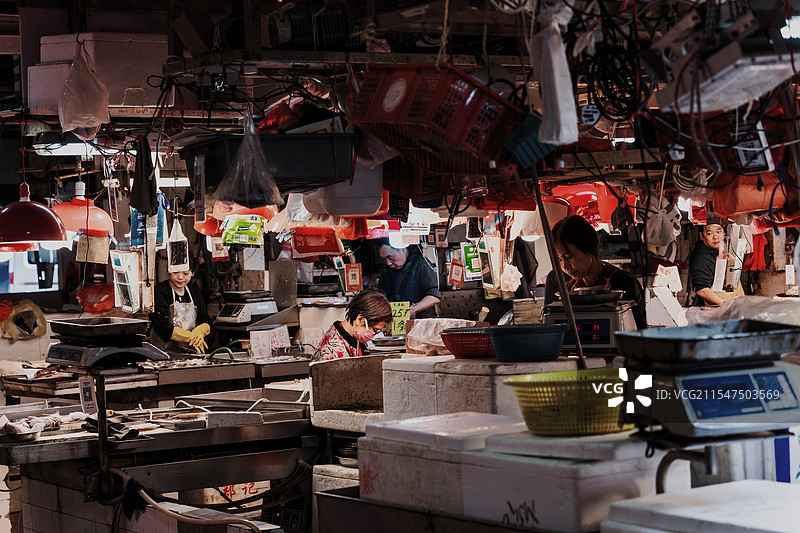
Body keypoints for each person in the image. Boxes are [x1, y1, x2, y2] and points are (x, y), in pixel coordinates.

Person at [544, 215, 646, 329]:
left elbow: (638, 335)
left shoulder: (622, 282)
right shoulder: (564, 285)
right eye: (559, 260)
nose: (564, 265)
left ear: (589, 249)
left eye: (568, 256)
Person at [149, 256, 212, 353]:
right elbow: (160, 324)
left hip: (191, 350)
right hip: (162, 352)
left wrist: (200, 332)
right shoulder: (160, 291)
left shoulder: (194, 291)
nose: (180, 277)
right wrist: (189, 337)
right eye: (175, 272)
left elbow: (205, 319)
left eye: (186, 273)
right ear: (169, 271)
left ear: (193, 273)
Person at [312, 289, 393, 362]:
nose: (373, 335)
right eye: (374, 330)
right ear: (360, 319)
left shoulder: (355, 336)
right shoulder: (330, 351)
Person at [376, 239, 441, 319]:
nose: (388, 263)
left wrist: (413, 310)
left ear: (403, 249)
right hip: (396, 321)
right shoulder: (386, 270)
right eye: (384, 260)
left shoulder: (422, 265)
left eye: (390, 257)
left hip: (420, 321)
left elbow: (434, 297)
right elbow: (380, 294)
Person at [688, 221, 730, 306]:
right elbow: (702, 291)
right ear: (701, 236)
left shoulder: (718, 253)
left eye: (718, 232)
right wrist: (727, 306)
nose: (715, 237)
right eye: (709, 233)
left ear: (724, 233)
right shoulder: (702, 258)